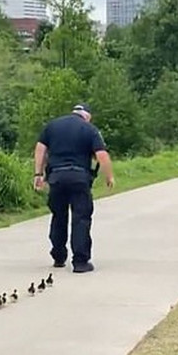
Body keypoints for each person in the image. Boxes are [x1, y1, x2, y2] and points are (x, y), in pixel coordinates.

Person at [33, 103, 115, 273]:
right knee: (81, 218)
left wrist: (38, 174)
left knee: (58, 216)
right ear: (87, 116)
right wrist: (109, 177)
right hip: (79, 178)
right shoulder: (90, 129)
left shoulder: (52, 126)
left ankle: (58, 256)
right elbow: (101, 155)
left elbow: (40, 148)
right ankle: (80, 262)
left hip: (56, 177)